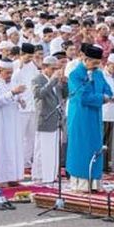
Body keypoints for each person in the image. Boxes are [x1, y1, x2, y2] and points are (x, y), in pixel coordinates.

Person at [66, 45, 111, 192]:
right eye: (94, 63)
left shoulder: (98, 73)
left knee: (95, 146)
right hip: (80, 115)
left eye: (98, 63)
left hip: (95, 115)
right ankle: (80, 183)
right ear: (85, 59)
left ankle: (95, 182)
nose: (96, 66)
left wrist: (107, 96)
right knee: (81, 147)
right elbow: (82, 97)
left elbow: (107, 89)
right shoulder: (75, 75)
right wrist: (101, 97)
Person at [0, 59, 26, 186]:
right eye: (7, 73)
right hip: (1, 121)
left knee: (14, 147)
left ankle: (13, 177)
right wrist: (13, 92)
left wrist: (20, 100)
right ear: (0, 71)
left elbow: (16, 98)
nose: (9, 75)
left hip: (14, 120)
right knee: (1, 147)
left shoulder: (13, 82)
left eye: (11, 72)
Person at [32, 56, 68, 184]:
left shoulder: (56, 80)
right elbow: (39, 94)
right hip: (45, 118)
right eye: (53, 68)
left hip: (57, 118)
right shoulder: (38, 79)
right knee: (43, 150)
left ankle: (51, 175)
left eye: (57, 69)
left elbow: (65, 95)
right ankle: (42, 176)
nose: (55, 71)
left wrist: (64, 84)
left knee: (54, 149)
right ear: (44, 67)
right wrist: (52, 81)